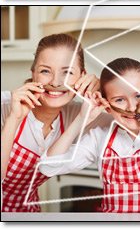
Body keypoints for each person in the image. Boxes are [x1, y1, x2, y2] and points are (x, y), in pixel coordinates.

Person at [39, 58, 140, 213]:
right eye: (120, 100)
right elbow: (47, 166)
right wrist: (83, 118)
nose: (132, 107)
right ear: (107, 105)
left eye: (139, 96)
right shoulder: (99, 138)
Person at [1, 33, 101, 212]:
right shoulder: (5, 107)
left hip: (28, 214)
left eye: (68, 72)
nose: (55, 82)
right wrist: (13, 120)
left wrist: (103, 88)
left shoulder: (77, 113)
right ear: (33, 74)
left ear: (82, 77)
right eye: (45, 71)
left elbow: (131, 122)